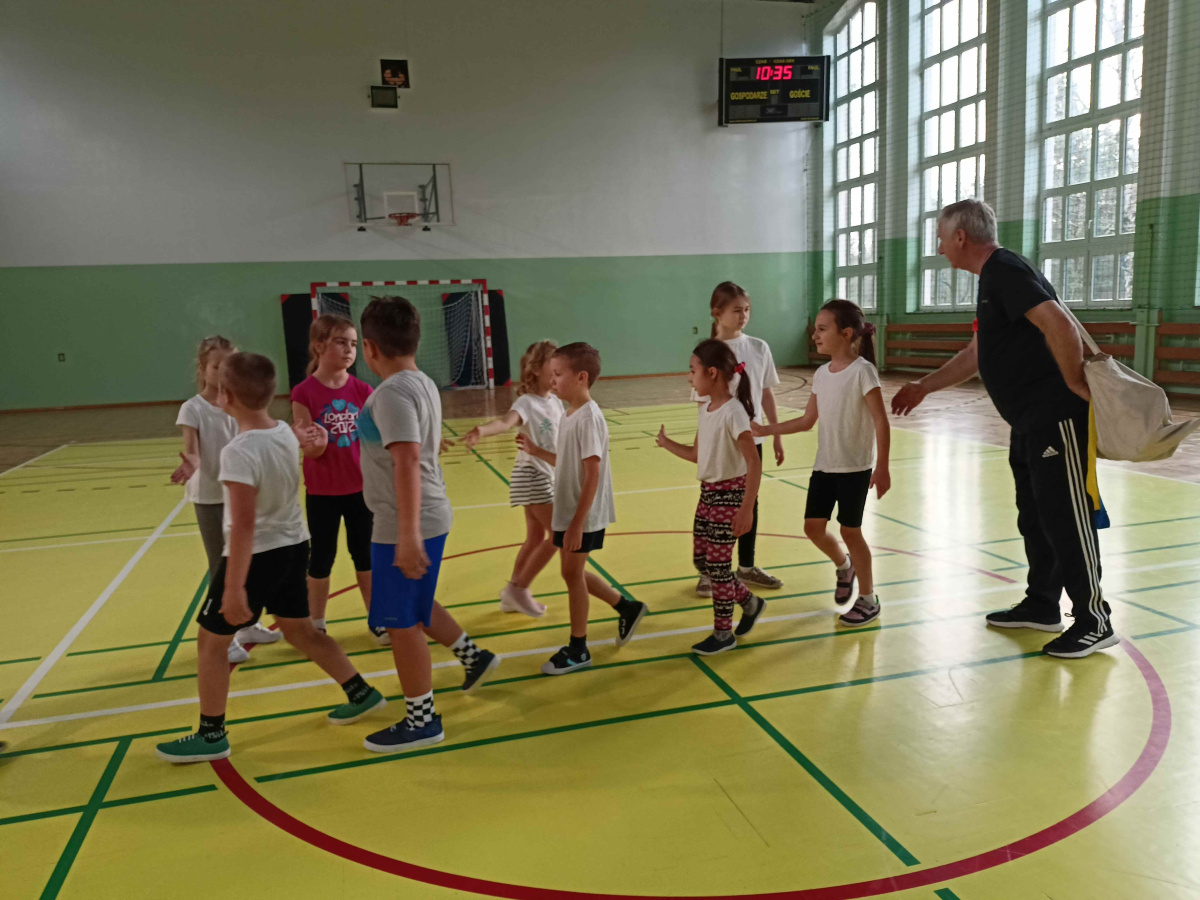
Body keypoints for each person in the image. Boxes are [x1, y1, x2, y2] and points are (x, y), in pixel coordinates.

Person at [891, 199, 1118, 659]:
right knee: (1035, 515)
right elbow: (977, 353)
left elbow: (1059, 324)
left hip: (1055, 418)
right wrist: (924, 387)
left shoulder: (1005, 269)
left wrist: (1074, 381)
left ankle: (1094, 619)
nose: (939, 247)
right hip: (1028, 421)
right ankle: (1043, 604)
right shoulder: (992, 279)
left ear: (960, 236)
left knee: (1067, 516)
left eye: (941, 237)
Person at [156, 353, 387, 763]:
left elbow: (243, 524)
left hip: (259, 555)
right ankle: (361, 692)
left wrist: (233, 588)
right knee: (301, 632)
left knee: (210, 643)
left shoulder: (238, 451)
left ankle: (211, 733)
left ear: (225, 397)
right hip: (295, 546)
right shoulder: (282, 431)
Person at [355, 296, 500, 753]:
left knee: (401, 624)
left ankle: (422, 721)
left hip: (404, 519)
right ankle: (473, 657)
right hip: (418, 514)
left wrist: (407, 534)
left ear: (369, 347)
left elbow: (407, 460)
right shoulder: (422, 383)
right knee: (416, 602)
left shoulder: (392, 393)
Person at [753, 300, 891, 627]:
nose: (814, 335)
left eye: (822, 329)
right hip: (824, 466)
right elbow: (806, 420)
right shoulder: (820, 374)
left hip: (855, 468)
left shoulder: (863, 371)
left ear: (846, 333)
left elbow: (881, 421)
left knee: (850, 531)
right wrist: (767, 430)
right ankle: (845, 566)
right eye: (815, 329)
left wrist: (883, 467)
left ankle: (868, 599)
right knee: (812, 528)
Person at [517, 342, 648, 675]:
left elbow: (593, 472)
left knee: (572, 574)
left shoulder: (588, 418)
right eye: (551, 374)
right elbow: (567, 462)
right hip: (571, 511)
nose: (553, 380)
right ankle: (627, 608)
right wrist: (536, 451)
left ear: (581, 377)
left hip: (583, 515)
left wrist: (577, 523)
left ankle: (579, 648)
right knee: (570, 572)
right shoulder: (570, 414)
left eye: (558, 374)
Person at [171, 336, 280, 665]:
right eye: (216, 366)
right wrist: (191, 464)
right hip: (210, 498)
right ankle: (224, 637)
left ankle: (246, 625)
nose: (222, 372)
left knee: (247, 563)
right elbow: (193, 450)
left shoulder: (238, 403)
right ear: (202, 368)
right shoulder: (193, 409)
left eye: (228, 366)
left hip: (240, 494)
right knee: (221, 569)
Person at [656, 340, 764, 654]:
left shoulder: (734, 412)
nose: (689, 377)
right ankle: (749, 602)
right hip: (708, 495)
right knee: (703, 561)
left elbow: (754, 462)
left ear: (712, 373)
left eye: (693, 371)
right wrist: (666, 443)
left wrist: (746, 509)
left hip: (730, 497)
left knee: (717, 568)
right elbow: (696, 455)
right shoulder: (706, 410)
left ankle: (723, 633)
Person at [290, 315, 382, 644]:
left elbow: (375, 439)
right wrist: (318, 442)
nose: (349, 350)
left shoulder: (364, 390)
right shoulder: (303, 393)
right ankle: (316, 623)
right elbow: (310, 450)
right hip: (323, 492)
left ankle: (377, 617)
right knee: (321, 559)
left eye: (353, 344)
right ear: (319, 346)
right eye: (341, 342)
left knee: (365, 556)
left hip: (361, 489)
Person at [693, 282, 785, 594]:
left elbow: (766, 393)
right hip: (720, 442)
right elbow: (702, 403)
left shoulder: (759, 347)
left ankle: (746, 566)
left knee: (749, 502)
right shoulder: (707, 353)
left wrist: (776, 434)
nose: (743, 315)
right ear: (717, 313)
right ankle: (709, 571)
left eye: (747, 310)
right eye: (736, 310)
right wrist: (702, 444)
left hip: (751, 438)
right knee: (713, 504)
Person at [462, 340, 562, 618]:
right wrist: (481, 431)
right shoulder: (527, 402)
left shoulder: (555, 402)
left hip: (546, 473)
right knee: (559, 535)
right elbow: (506, 422)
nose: (558, 370)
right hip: (532, 475)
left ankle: (511, 593)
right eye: (552, 365)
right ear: (536, 369)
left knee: (535, 536)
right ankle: (520, 588)